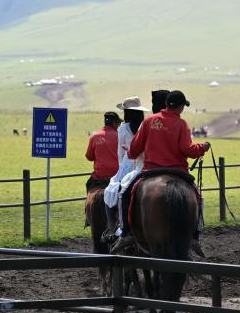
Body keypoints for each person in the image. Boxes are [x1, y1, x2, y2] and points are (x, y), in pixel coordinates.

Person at [111, 90, 211, 254]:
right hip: (178, 171)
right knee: (197, 197)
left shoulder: (149, 121)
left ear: (166, 104)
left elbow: (134, 149)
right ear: (180, 107)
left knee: (124, 194)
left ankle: (126, 233)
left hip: (151, 170)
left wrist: (130, 152)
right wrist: (203, 147)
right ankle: (194, 236)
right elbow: (188, 150)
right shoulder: (181, 124)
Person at [102, 96, 148, 236]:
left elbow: (120, 153)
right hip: (143, 164)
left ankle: (114, 228)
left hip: (127, 164)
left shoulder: (123, 128)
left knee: (110, 191)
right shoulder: (145, 126)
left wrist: (121, 168)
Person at [85, 112, 120, 193]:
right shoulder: (120, 136)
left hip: (100, 176)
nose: (118, 126)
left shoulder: (94, 136)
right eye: (118, 124)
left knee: (88, 184)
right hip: (116, 176)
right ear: (114, 123)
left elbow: (89, 157)